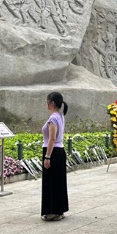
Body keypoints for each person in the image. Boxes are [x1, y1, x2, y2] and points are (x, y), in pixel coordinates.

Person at [41, 92, 68, 221]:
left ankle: (52, 212)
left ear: (52, 103)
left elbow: (52, 138)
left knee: (51, 182)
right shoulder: (60, 116)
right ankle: (59, 210)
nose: (46, 104)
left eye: (47, 101)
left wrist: (47, 156)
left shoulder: (53, 118)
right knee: (59, 182)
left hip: (52, 152)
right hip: (59, 151)